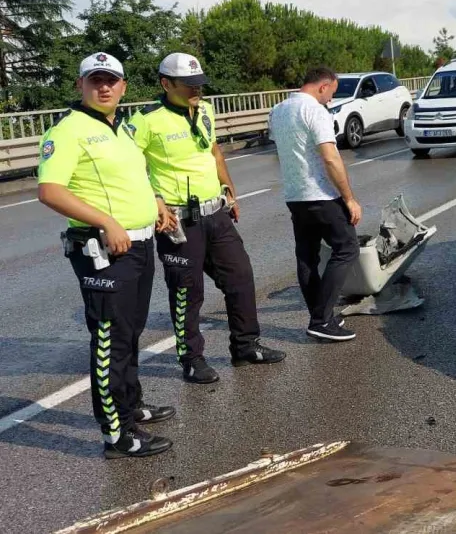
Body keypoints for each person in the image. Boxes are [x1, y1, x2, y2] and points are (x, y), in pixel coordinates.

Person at [37, 52, 176, 458]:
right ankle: (116, 434)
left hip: (140, 244)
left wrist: (156, 202)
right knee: (110, 341)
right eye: (95, 80)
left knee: (130, 332)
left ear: (123, 86)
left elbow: (131, 177)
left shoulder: (122, 128)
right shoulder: (68, 131)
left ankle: (131, 407)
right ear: (80, 85)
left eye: (111, 80)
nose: (104, 87)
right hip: (104, 250)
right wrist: (106, 221)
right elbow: (51, 190)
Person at [128, 53, 285, 384]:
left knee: (240, 277)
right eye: (188, 86)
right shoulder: (146, 120)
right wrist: (154, 201)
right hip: (179, 222)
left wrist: (229, 189)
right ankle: (191, 359)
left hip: (216, 212)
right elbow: (129, 167)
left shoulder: (205, 110)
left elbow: (213, 152)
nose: (196, 90)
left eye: (199, 84)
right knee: (188, 291)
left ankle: (246, 346)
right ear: (165, 84)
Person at [269, 67, 363, 342]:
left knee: (307, 256)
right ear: (323, 86)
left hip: (294, 196)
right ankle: (322, 319)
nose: (331, 100)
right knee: (346, 248)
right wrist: (349, 198)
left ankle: (320, 316)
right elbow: (330, 158)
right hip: (319, 194)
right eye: (331, 93)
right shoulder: (315, 111)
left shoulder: (278, 110)